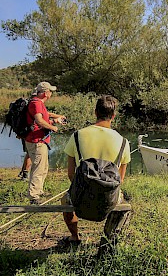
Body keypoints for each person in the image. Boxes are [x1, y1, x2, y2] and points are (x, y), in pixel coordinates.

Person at [61, 94, 131, 245]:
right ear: (113, 115)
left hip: (80, 197)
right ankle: (108, 239)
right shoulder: (123, 142)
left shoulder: (77, 136)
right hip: (109, 198)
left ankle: (74, 236)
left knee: (65, 199)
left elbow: (71, 174)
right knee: (122, 198)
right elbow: (121, 180)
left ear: (95, 112)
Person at [25, 81, 66, 205]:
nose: (51, 93)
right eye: (50, 91)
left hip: (39, 140)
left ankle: (39, 190)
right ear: (45, 93)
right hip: (36, 141)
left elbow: (45, 115)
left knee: (43, 166)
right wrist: (53, 127)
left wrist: (56, 118)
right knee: (38, 168)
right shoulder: (36, 103)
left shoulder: (38, 103)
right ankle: (34, 196)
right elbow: (39, 121)